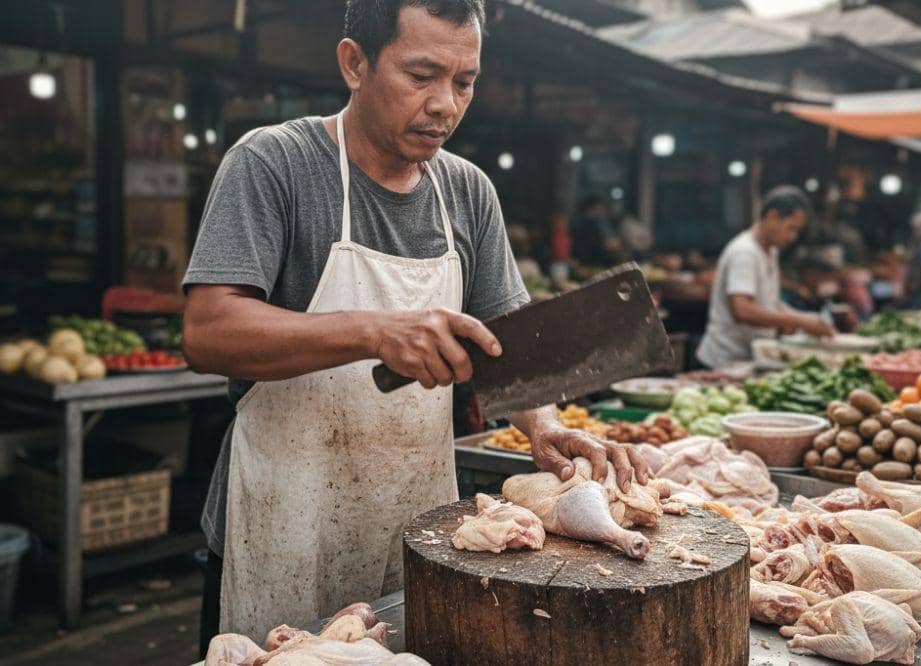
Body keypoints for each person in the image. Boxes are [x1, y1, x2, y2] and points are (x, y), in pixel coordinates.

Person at [182, 0, 647, 650]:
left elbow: (506, 345)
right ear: (354, 63)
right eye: (421, 75)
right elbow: (208, 331)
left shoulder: (468, 192)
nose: (445, 105)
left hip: (416, 525)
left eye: (464, 82)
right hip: (279, 520)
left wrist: (544, 426)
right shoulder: (273, 164)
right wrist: (376, 331)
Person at [695, 185, 835, 369]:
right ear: (772, 216)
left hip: (748, 358)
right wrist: (800, 320)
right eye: (791, 228)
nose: (793, 237)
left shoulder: (770, 252)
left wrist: (809, 320)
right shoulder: (745, 252)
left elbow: (769, 303)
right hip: (724, 362)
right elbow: (742, 310)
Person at [571, 195, 620, 266]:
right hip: (590, 261)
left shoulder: (601, 221)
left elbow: (613, 242)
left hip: (598, 260)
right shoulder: (586, 223)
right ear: (591, 208)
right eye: (599, 208)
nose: (602, 211)